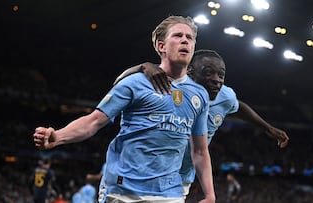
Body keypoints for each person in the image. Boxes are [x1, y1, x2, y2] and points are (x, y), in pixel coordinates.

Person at [33, 15, 215, 203]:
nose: (185, 40)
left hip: (169, 193)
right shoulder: (135, 82)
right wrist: (58, 136)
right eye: (177, 36)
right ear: (161, 46)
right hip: (123, 191)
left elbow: (200, 151)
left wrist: (209, 194)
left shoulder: (199, 95)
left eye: (189, 37)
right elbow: (93, 121)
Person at [113, 49, 290, 198]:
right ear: (189, 71)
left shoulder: (225, 96)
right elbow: (119, 85)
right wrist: (143, 67)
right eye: (207, 72)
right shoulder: (169, 85)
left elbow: (238, 106)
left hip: (179, 179)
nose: (216, 79)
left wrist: (268, 128)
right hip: (143, 172)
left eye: (221, 75)